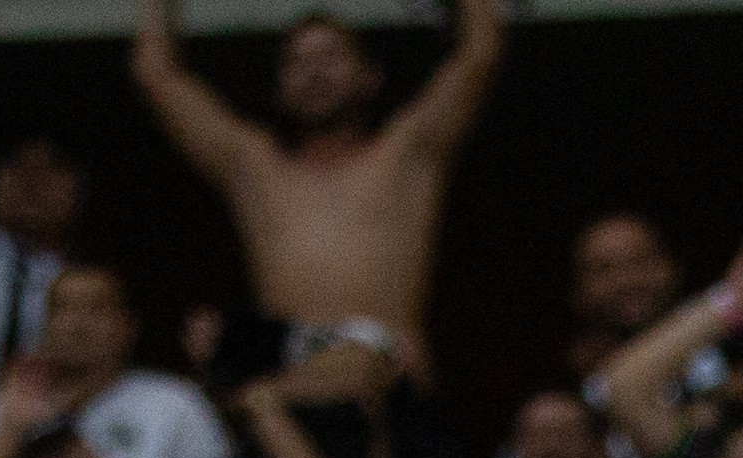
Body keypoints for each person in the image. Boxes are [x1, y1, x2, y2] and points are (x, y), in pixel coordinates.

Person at [128, 0, 509, 382]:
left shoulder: (406, 156)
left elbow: (479, 53)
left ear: (370, 76)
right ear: (279, 87)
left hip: (391, 397)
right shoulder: (255, 168)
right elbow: (157, 75)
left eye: (331, 57)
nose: (314, 73)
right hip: (292, 401)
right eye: (298, 62)